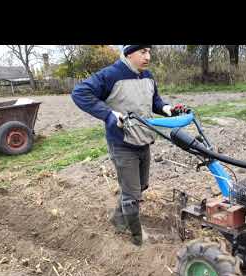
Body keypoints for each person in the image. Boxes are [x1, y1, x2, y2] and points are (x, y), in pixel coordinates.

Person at [71, 45, 187, 246]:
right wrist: (108, 114)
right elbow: (80, 93)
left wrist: (166, 108)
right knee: (132, 195)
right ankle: (136, 238)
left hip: (143, 140)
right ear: (129, 53)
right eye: (143, 52)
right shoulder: (111, 74)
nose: (148, 56)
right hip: (122, 143)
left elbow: (154, 101)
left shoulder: (147, 76)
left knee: (140, 186)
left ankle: (118, 217)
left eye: (149, 51)